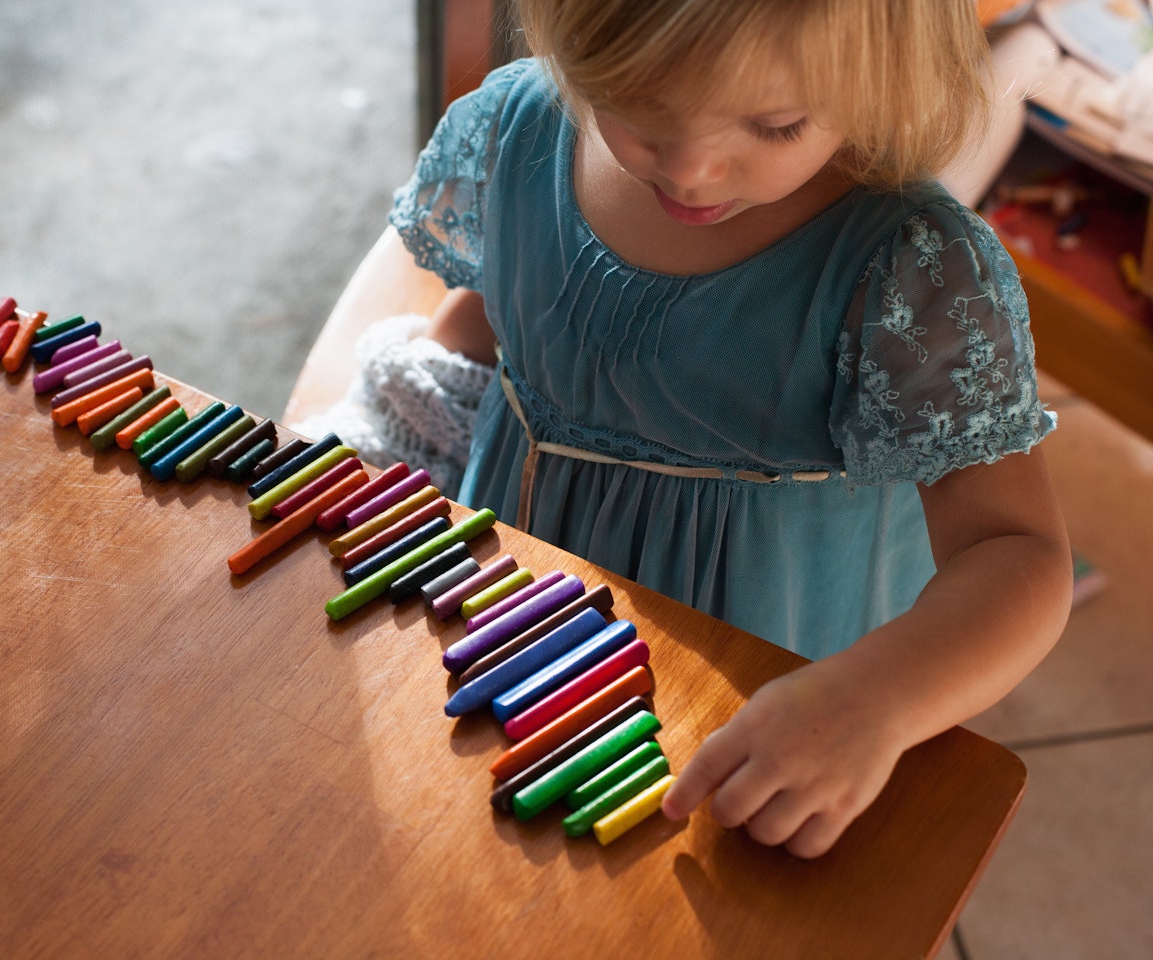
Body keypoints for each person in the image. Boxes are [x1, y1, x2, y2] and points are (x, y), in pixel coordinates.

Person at [295, 0, 1072, 857]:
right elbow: (508, 305)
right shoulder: (523, 126)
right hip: (516, 623)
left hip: (759, 703)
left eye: (775, 125)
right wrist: (390, 430)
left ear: (877, 73)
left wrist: (875, 700)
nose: (694, 171)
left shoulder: (911, 272)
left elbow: (1018, 553)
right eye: (638, 110)